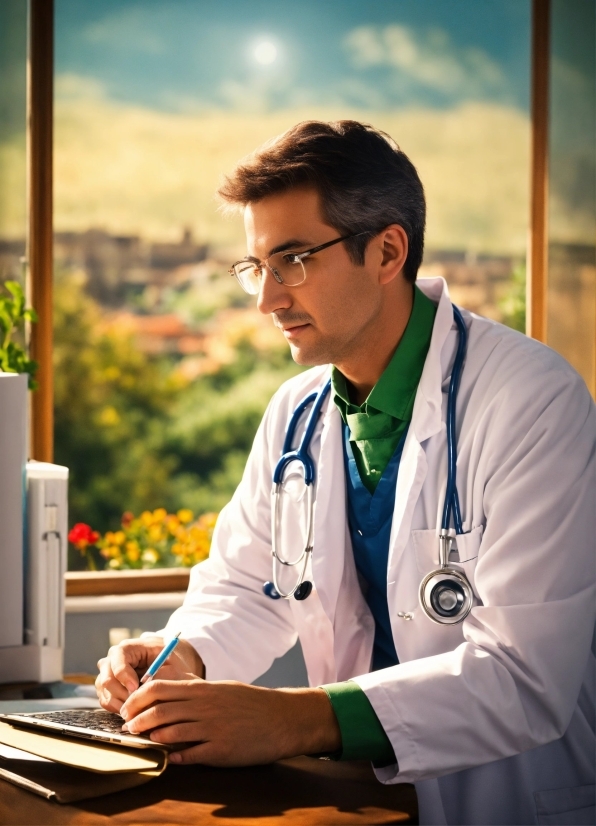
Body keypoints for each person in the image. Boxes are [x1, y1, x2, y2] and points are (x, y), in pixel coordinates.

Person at [96, 121, 595, 826]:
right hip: (366, 803)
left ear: (388, 251)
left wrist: (294, 719)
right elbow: (248, 589)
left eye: (293, 260)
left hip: (512, 800)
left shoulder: (532, 400)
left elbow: (523, 678)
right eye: (256, 267)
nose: (267, 299)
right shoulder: (296, 412)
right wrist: (183, 659)